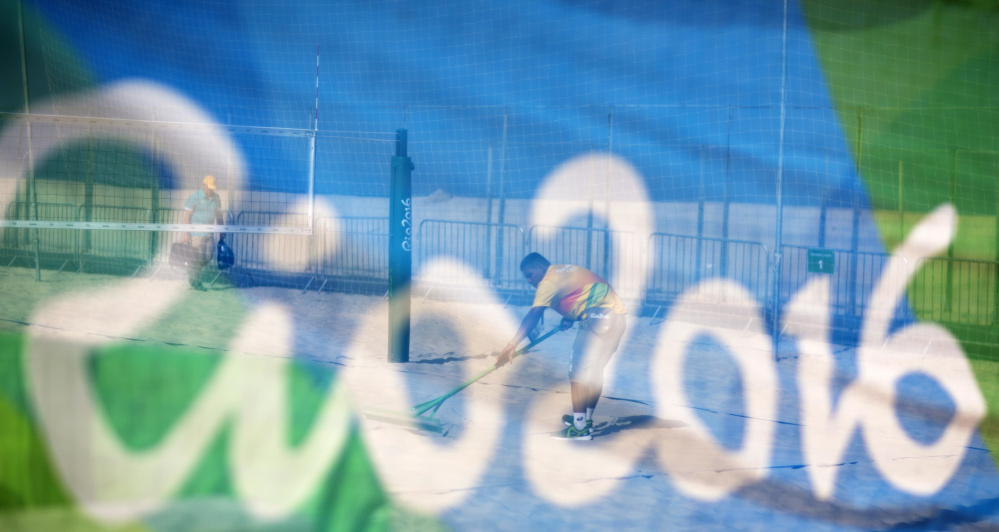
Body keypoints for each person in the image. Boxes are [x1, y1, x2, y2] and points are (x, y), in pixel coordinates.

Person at [495, 252, 627, 440]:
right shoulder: (565, 269)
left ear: (540, 267)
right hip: (617, 320)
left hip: (598, 320)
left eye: (529, 274)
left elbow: (534, 314)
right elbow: (586, 293)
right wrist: (572, 316)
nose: (528, 281)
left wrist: (512, 344)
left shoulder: (547, 282)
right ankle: (585, 420)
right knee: (594, 371)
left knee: (578, 372)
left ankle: (579, 428)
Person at [181, 175, 223, 291]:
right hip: (196, 235)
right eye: (210, 187)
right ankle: (196, 281)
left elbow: (219, 215)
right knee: (197, 257)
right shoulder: (194, 197)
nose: (211, 190)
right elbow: (187, 217)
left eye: (213, 188)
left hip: (209, 234)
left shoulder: (216, 198)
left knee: (208, 257)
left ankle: (192, 271)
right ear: (204, 185)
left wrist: (222, 231)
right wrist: (186, 234)